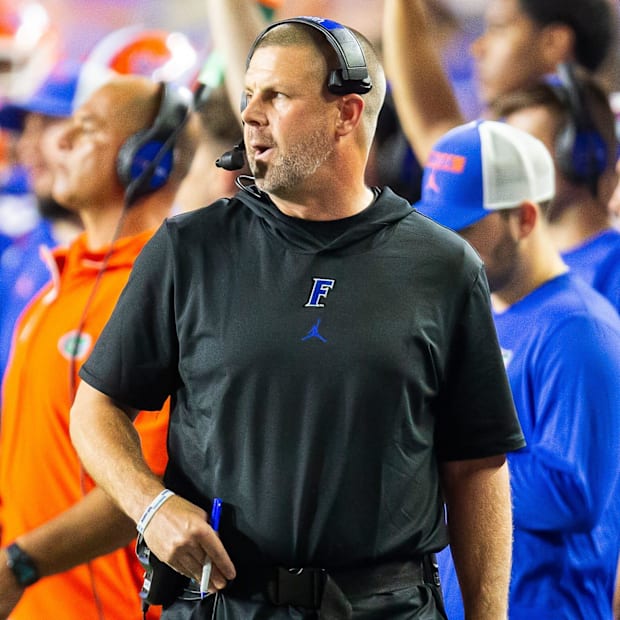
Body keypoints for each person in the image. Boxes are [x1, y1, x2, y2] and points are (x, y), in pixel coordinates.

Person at [70, 17, 525, 620]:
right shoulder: (190, 250)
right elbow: (95, 410)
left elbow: (476, 468)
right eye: (248, 95)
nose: (251, 114)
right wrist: (149, 506)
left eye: (276, 96)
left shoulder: (443, 267)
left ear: (347, 114)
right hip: (223, 605)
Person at [0, 75, 198, 620]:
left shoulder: (164, 292)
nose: (57, 142)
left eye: (85, 130)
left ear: (145, 160)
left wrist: (19, 563)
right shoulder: (57, 287)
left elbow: (147, 483)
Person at [415, 119, 620, 620]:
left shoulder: (578, 329)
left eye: (464, 229)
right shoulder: (479, 313)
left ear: (525, 218)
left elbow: (572, 495)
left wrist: (440, 456)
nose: (445, 246)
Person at [382, 0, 616, 164]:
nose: (478, 47)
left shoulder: (533, 149)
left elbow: (434, 132)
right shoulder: (596, 131)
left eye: (499, 28)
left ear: (553, 43)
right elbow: (435, 128)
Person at [490, 66, 620, 312]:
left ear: (580, 156)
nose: (506, 169)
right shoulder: (509, 271)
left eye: (523, 151)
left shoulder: (614, 267)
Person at [0, 60, 83, 386]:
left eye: (48, 125)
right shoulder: (17, 252)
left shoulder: (154, 267)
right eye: (26, 129)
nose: (27, 146)